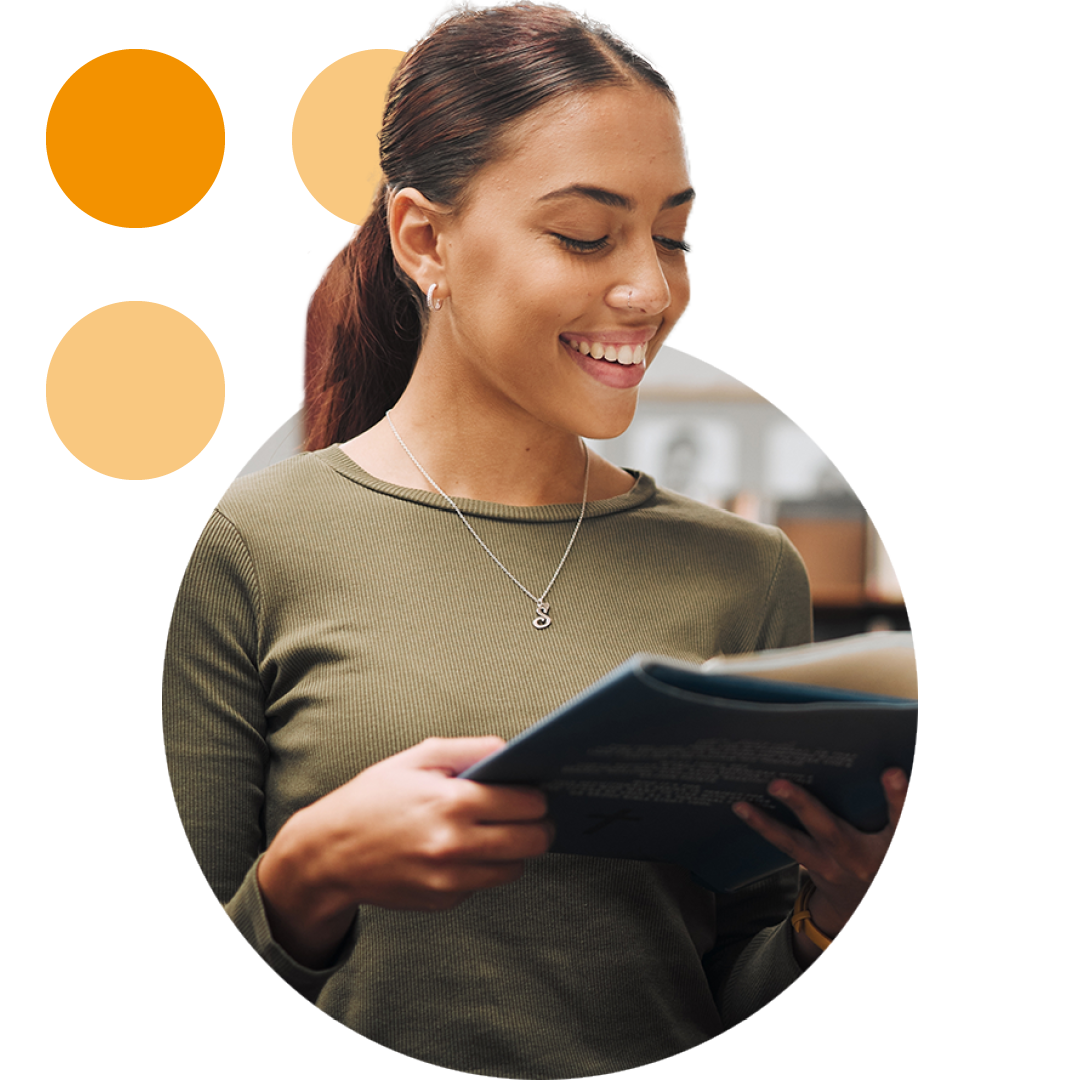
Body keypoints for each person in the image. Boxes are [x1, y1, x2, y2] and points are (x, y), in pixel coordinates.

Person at [163, 3, 908, 1077]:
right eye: (585, 234)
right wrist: (308, 876)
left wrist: (832, 923)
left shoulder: (745, 575)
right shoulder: (250, 546)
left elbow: (725, 991)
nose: (650, 290)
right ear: (427, 239)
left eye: (672, 235)